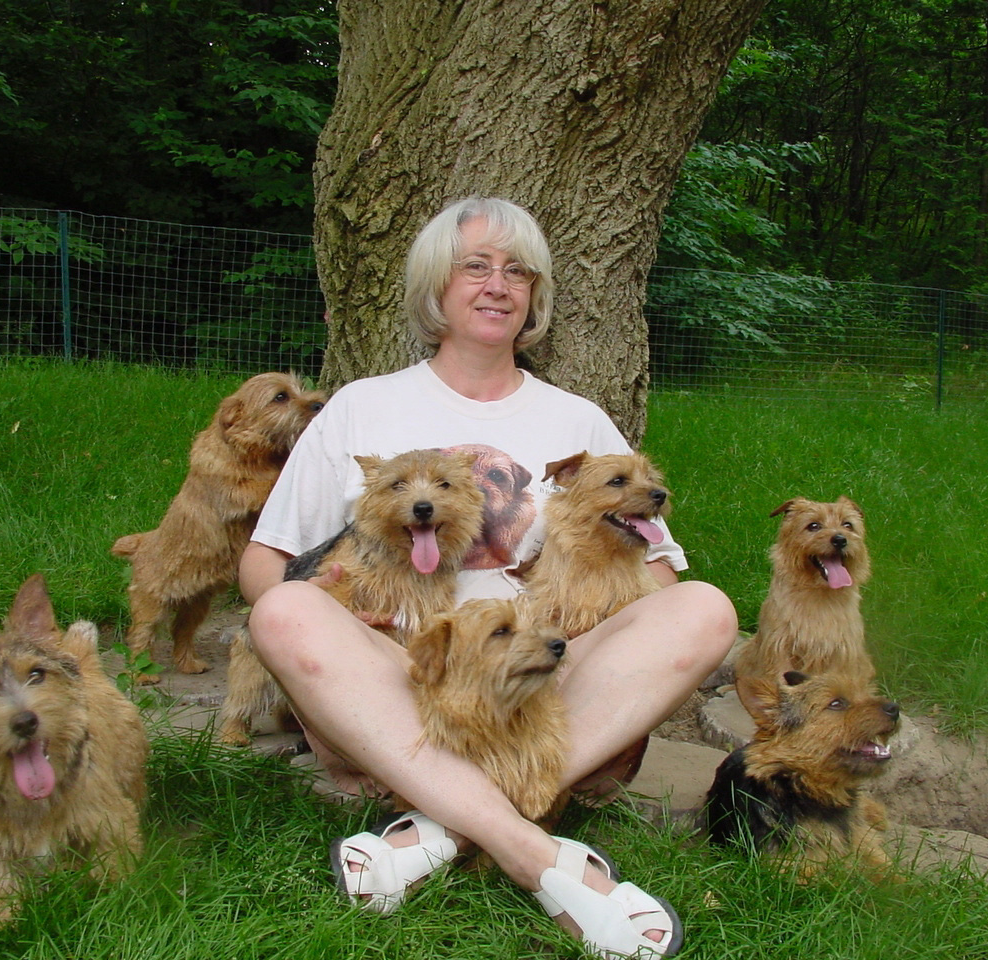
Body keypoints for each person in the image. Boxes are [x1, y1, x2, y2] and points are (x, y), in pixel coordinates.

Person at [239, 197, 737, 959]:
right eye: (476, 266)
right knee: (281, 612)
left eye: (518, 271)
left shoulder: (578, 420)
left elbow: (661, 579)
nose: (498, 284)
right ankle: (536, 852)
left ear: (535, 296)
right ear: (436, 286)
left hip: (545, 684)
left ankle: (433, 825)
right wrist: (342, 607)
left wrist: (581, 620)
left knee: (706, 608)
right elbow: (264, 565)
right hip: (405, 681)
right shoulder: (360, 409)